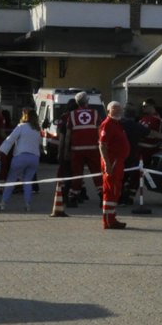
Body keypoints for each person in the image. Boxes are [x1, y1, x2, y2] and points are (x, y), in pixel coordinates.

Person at [0, 108, 43, 211]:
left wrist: (1, 150)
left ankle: (3, 202)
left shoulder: (21, 127)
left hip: (20, 157)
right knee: (28, 181)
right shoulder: (37, 129)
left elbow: (11, 139)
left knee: (11, 180)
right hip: (34, 158)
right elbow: (40, 143)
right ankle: (27, 204)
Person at [62, 94, 102, 206]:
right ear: (87, 101)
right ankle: (102, 195)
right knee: (97, 173)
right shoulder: (95, 113)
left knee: (77, 174)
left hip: (76, 150)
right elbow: (100, 132)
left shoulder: (72, 115)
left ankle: (73, 197)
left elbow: (68, 136)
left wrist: (66, 151)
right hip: (93, 149)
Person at [98, 100, 132, 229]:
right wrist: (107, 163)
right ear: (108, 111)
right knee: (110, 190)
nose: (118, 111)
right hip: (112, 162)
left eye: (119, 109)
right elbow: (102, 145)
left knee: (115, 190)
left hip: (118, 162)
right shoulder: (107, 124)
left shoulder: (117, 124)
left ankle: (111, 217)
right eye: (115, 109)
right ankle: (108, 220)